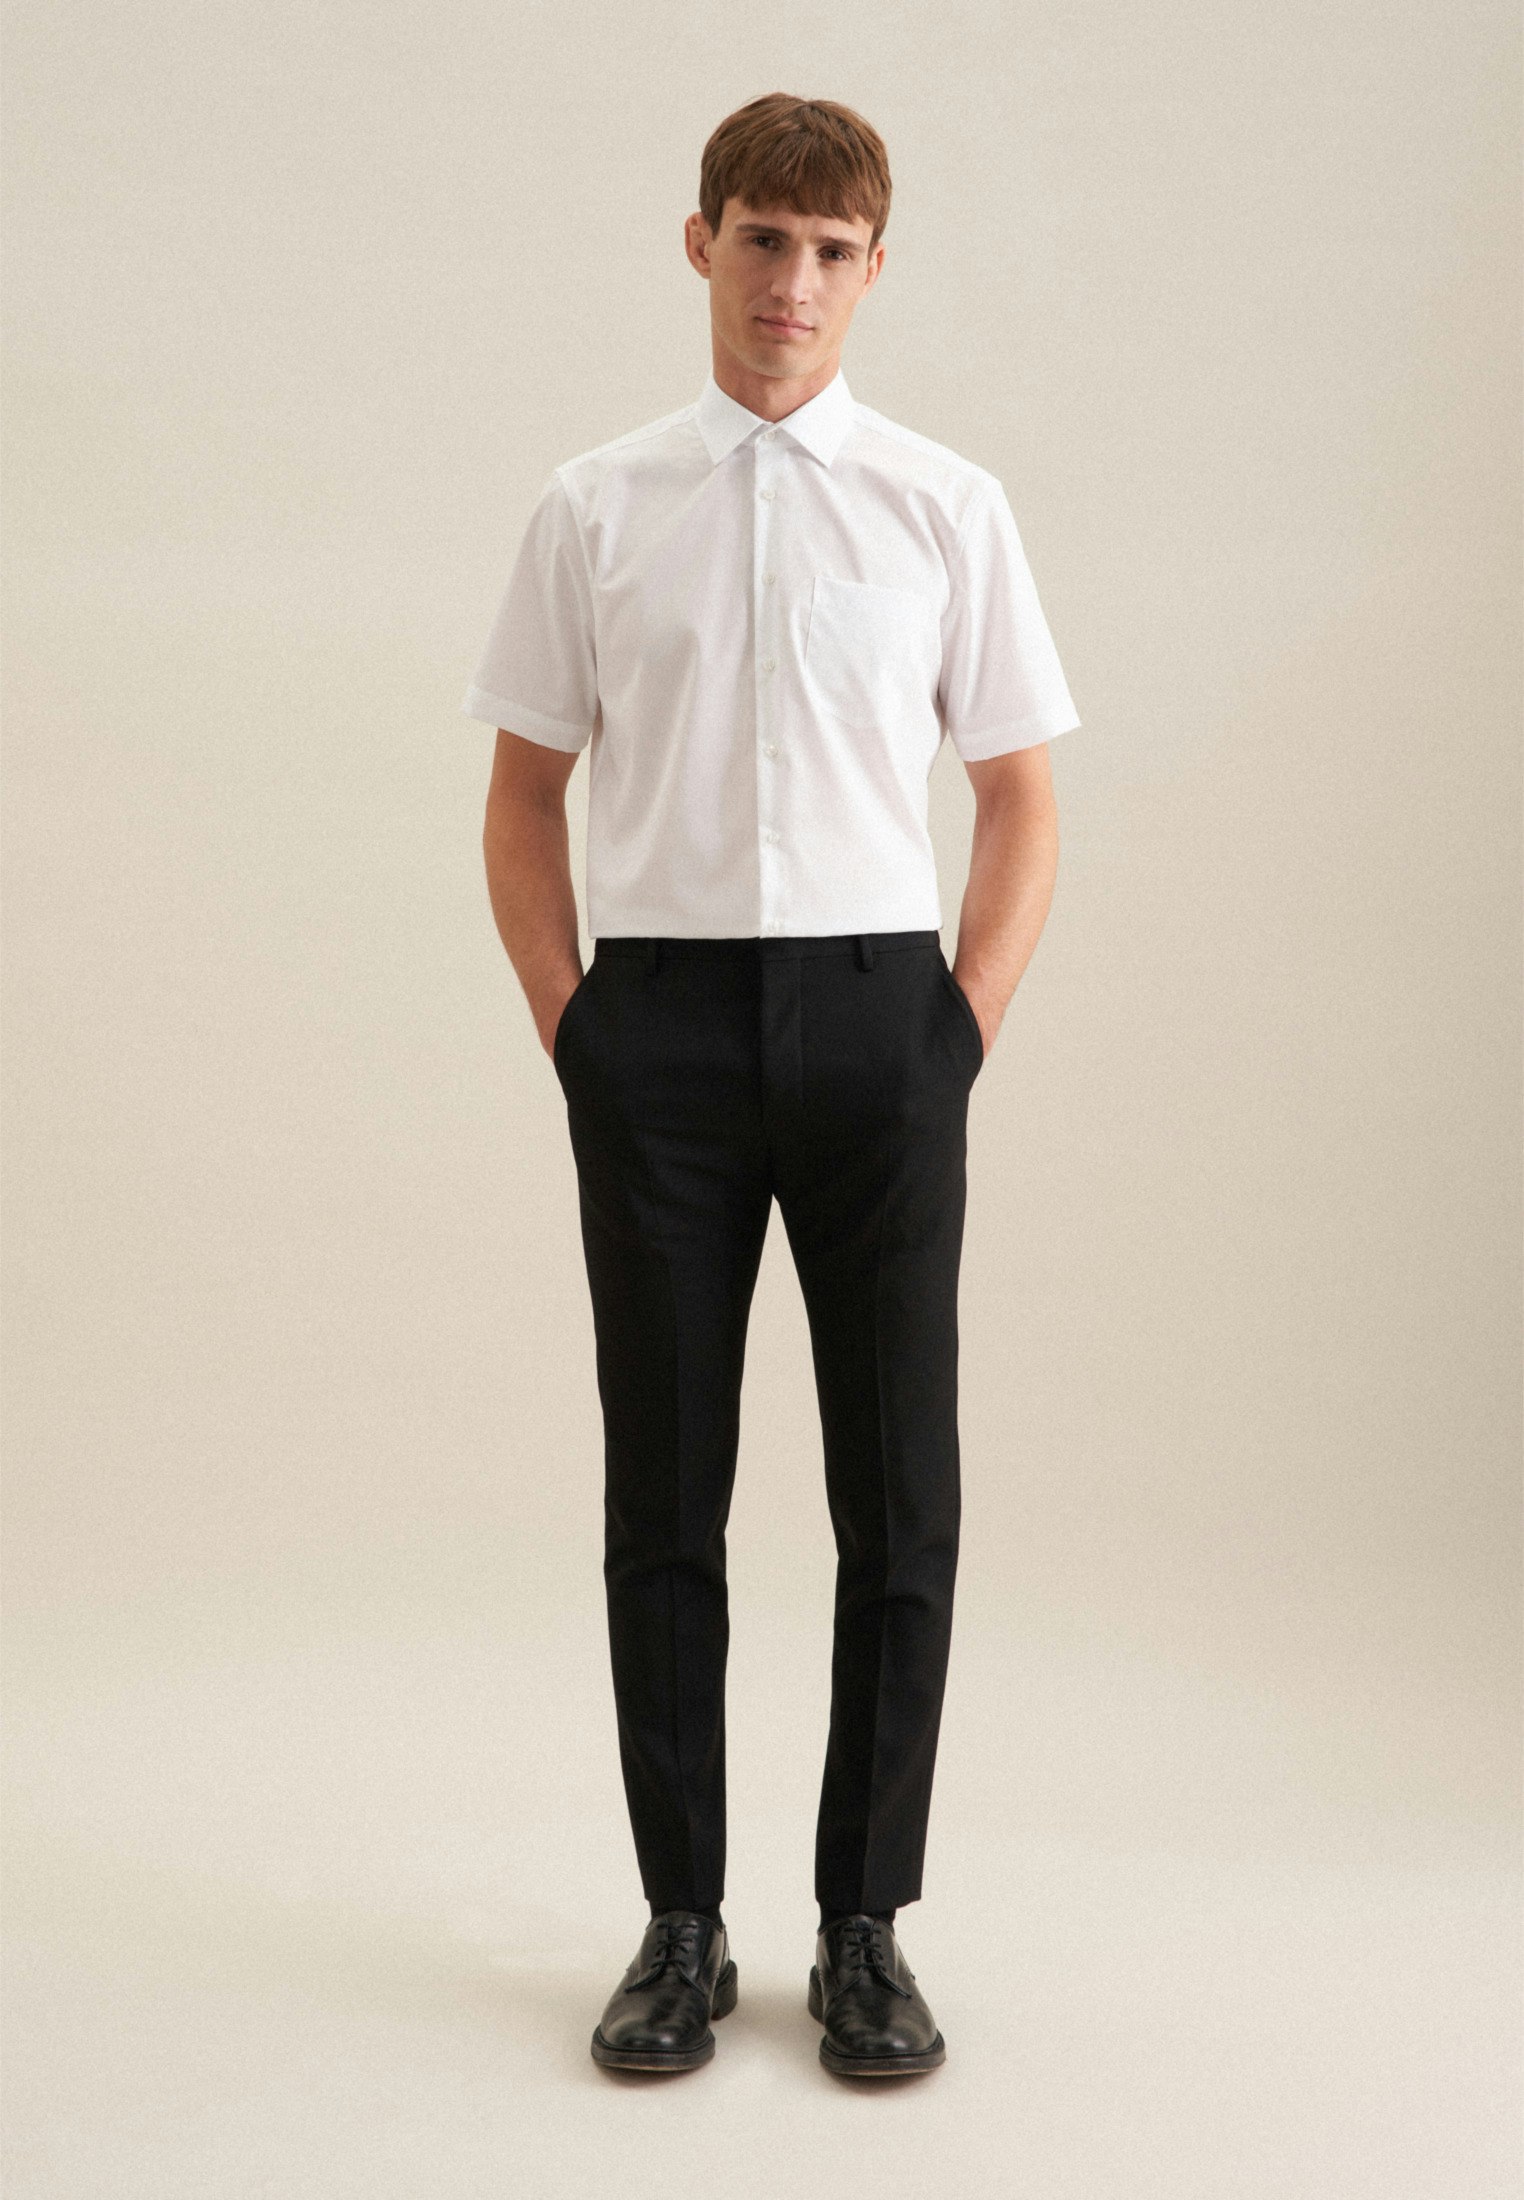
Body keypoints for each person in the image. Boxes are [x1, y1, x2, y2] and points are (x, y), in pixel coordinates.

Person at [461, 92, 1081, 2079]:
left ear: (872, 270)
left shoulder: (943, 505)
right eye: (761, 240)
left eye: (829, 251)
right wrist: (577, 1028)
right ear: (701, 243)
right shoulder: (595, 506)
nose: (790, 283)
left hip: (881, 1021)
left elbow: (1020, 792)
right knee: (664, 1493)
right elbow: (523, 794)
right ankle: (680, 1924)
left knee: (901, 1497)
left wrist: (957, 1029)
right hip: (656, 1032)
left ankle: (865, 1924)